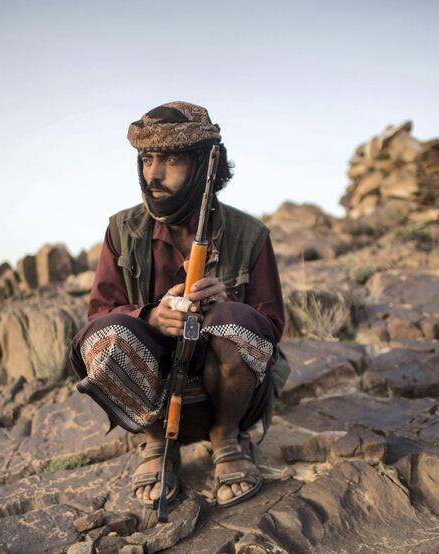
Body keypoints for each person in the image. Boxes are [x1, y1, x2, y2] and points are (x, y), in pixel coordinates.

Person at [69, 101, 289, 509]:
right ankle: (155, 445)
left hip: (228, 402)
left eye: (170, 160)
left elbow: (272, 327)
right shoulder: (121, 230)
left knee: (236, 320)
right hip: (151, 403)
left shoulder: (250, 234)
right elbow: (99, 316)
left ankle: (227, 440)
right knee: (109, 333)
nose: (153, 174)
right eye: (147, 159)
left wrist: (227, 310)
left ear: (205, 166)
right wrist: (150, 317)